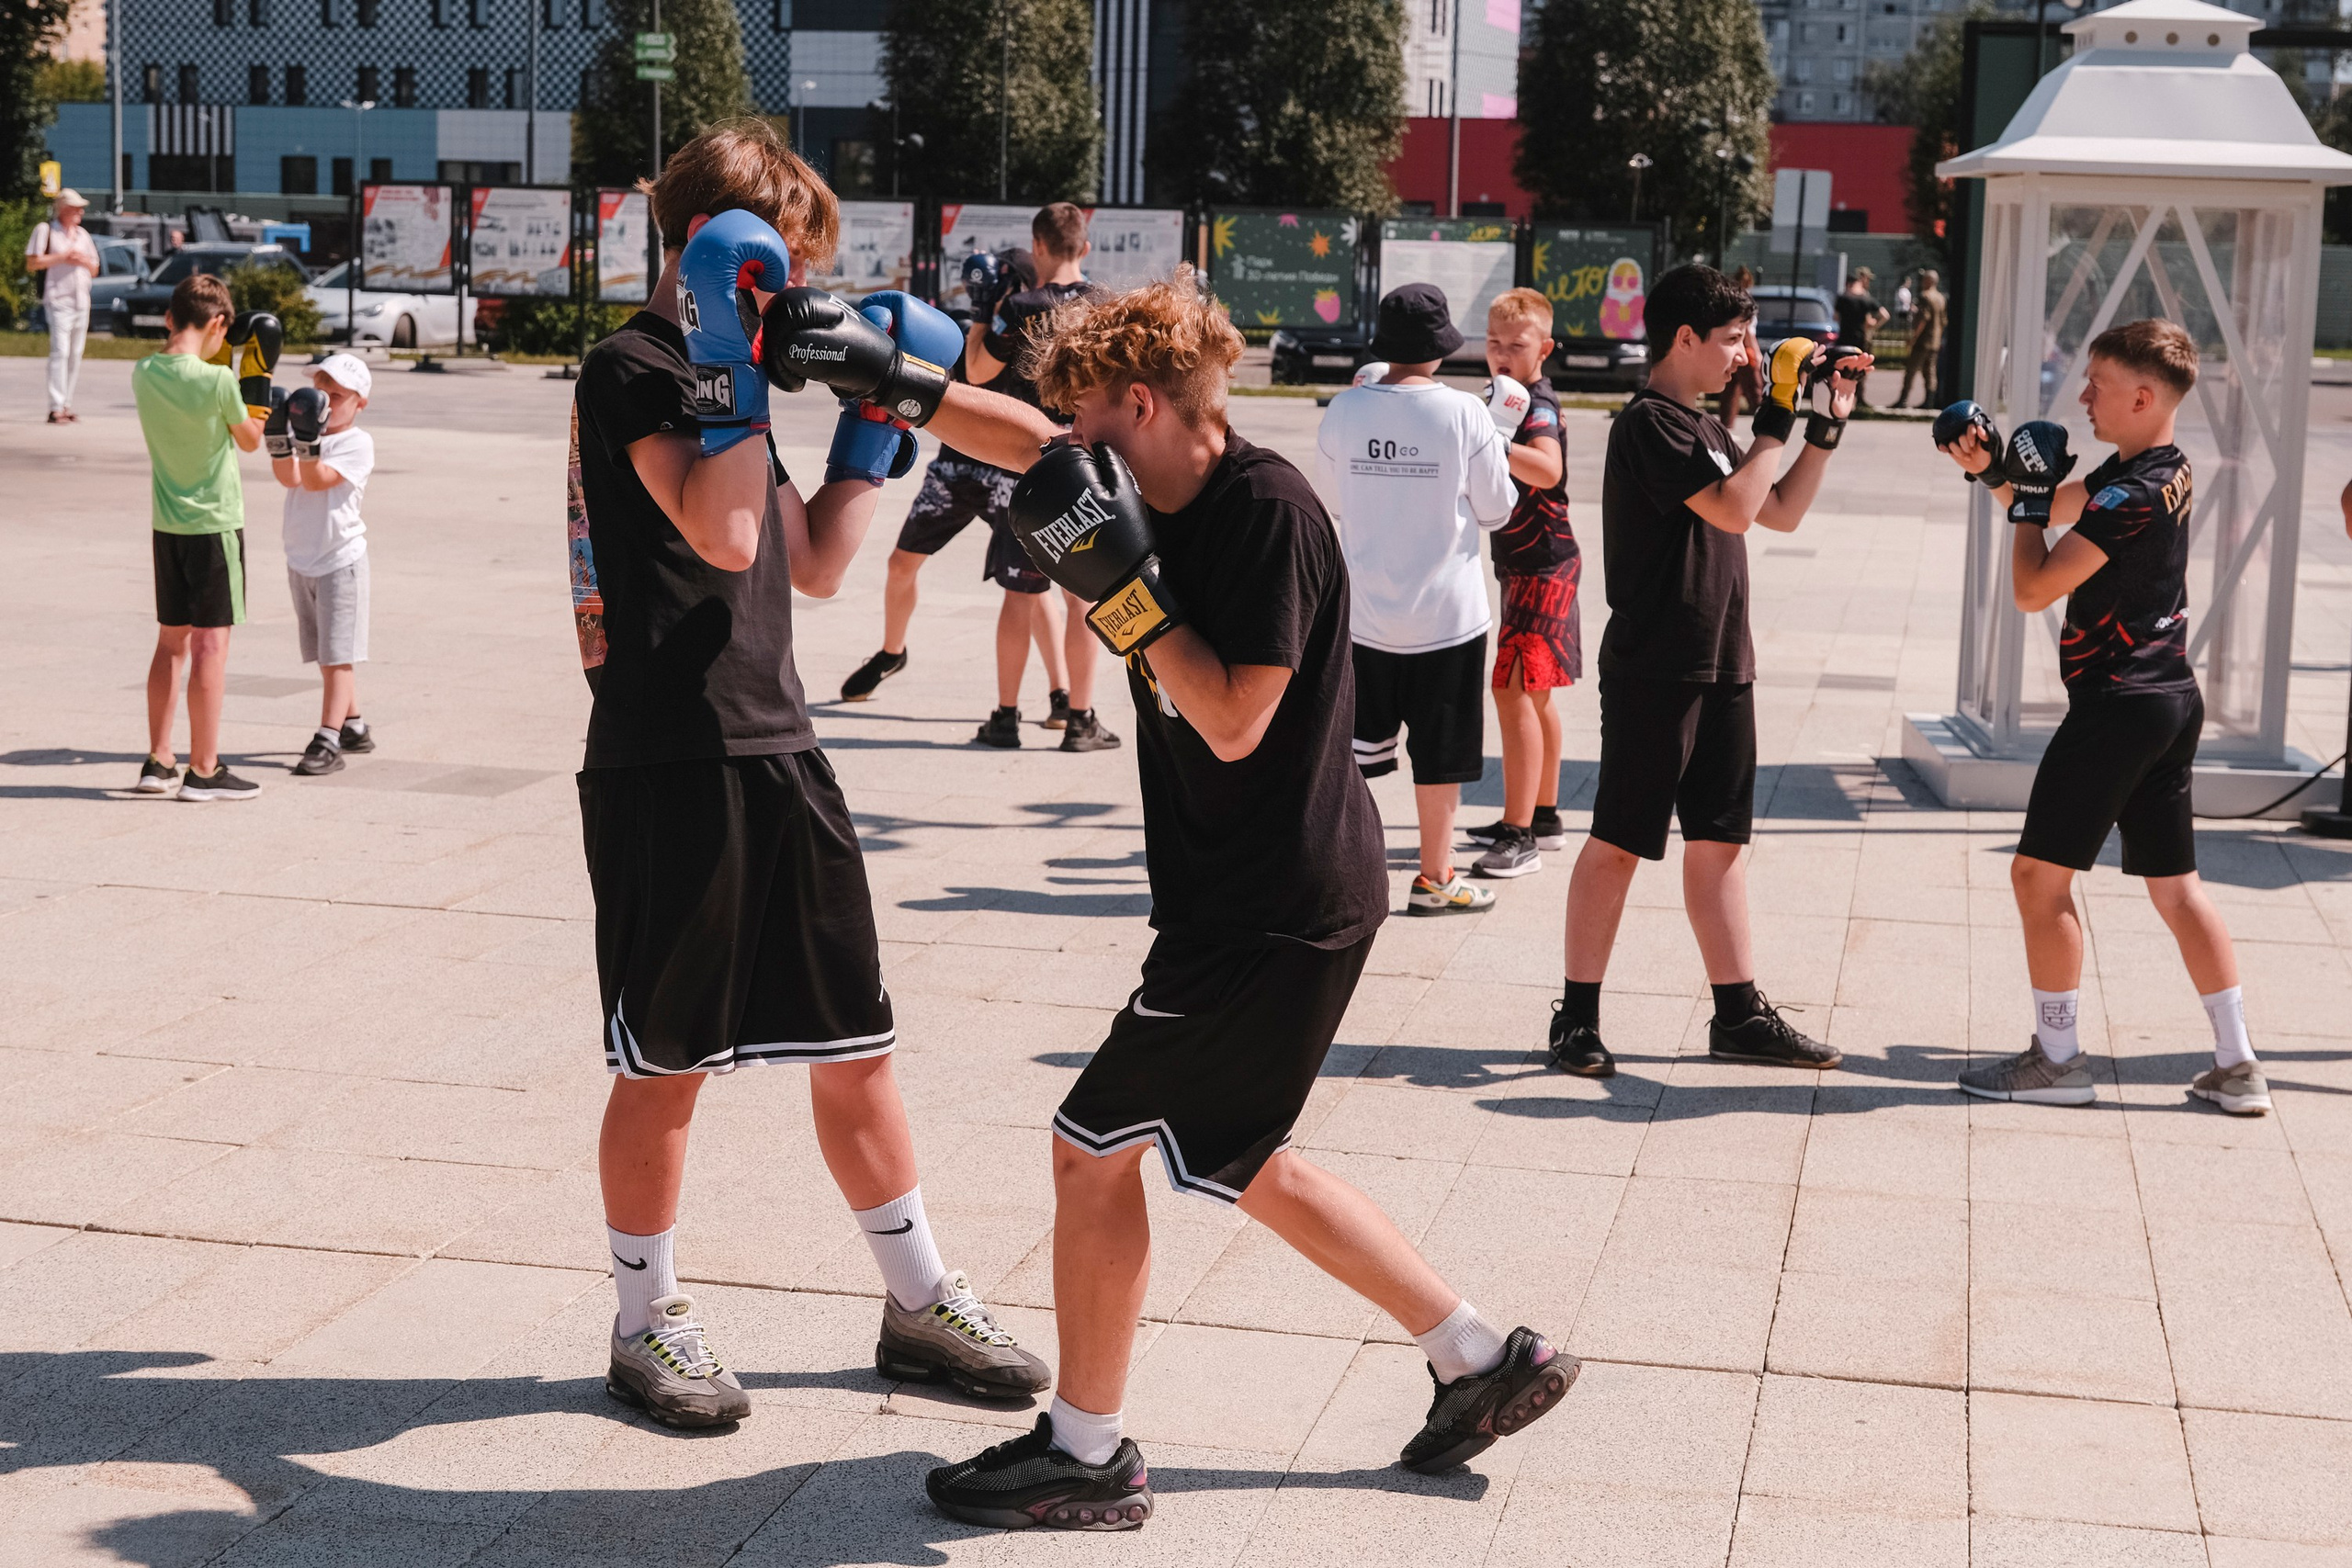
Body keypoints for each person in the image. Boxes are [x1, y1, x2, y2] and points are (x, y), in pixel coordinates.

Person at [761, 268, 1583, 1525]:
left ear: (1142, 403)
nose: (1070, 448)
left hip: (1279, 900)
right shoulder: (1144, 473)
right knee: (1242, 1155)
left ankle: (1087, 1454)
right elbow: (1028, 442)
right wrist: (890, 377)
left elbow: (1238, 716)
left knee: (1092, 1148)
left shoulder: (1267, 516)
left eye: (1089, 420)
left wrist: (1119, 591)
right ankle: (1480, 1354)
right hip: (1244, 892)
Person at [567, 121, 1046, 1433]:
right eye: (777, 275)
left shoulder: (731, 375)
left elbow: (816, 558)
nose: (788, 305)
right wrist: (736, 367)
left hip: (780, 741)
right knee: (668, 1063)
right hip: (670, 754)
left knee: (859, 1045)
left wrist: (881, 421)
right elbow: (719, 529)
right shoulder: (635, 367)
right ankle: (643, 1315)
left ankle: (917, 1294)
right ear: (719, 260)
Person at [1935, 320, 2270, 1114]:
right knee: (2177, 888)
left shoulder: (2130, 495)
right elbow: (2050, 499)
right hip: (2166, 700)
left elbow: (2033, 585)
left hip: (2117, 706)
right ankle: (2239, 1064)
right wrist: (1992, 471)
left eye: (2097, 385)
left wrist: (2026, 508)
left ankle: (2056, 1060)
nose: (2081, 396)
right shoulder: (2160, 466)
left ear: (2144, 396)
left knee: (2037, 879)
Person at [1550, 264, 1867, 1078]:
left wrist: (1823, 424)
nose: (1746, 353)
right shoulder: (1650, 424)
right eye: (1732, 338)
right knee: (1619, 842)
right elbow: (1730, 507)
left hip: (1726, 663)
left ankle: (1737, 1015)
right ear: (1683, 338)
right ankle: (1575, 1019)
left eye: (1750, 337)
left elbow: (1779, 512)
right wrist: (1771, 421)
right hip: (1657, 667)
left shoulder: (1706, 428)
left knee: (1720, 844)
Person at [840, 206, 1121, 753]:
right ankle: (1081, 717)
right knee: (1081, 598)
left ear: (1038, 246)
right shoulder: (1105, 306)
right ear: (1084, 248)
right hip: (1081, 457)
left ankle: (1008, 716)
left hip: (1021, 459)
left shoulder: (1019, 306)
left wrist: (980, 311)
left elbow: (978, 370)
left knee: (1021, 592)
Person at [1316, 283, 1516, 913]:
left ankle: (1350, 873)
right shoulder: (1465, 414)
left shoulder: (1345, 411)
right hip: (1448, 619)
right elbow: (1498, 510)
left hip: (1365, 616)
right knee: (1440, 755)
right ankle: (1434, 877)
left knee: (1355, 754)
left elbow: (1334, 504)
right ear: (1440, 347)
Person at [130, 275, 268, 801]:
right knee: (212, 645)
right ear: (217, 324)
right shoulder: (217, 382)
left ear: (169, 318)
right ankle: (204, 769)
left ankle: (158, 760)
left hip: (167, 525)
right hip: (214, 525)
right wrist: (257, 380)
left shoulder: (143, 373)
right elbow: (251, 442)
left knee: (171, 642)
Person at [1462, 286, 1576, 878]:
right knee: (1535, 696)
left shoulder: (1536, 404)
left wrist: (1491, 440)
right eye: (1493, 343)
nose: (1503, 354)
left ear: (1545, 348)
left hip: (1542, 567)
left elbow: (1547, 466)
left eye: (1518, 344)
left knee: (1511, 691)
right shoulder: (1507, 397)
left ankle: (1519, 834)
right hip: (1531, 564)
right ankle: (1545, 815)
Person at [267, 353, 379, 775]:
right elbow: (290, 478)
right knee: (327, 653)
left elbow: (316, 479)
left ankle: (328, 739)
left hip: (340, 561)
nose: (328, 404)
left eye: (337, 395)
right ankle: (353, 725)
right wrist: (280, 437)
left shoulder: (356, 443)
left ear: (360, 401)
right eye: (320, 394)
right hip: (302, 559)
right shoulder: (307, 436)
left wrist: (307, 442)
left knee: (338, 656)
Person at [26, 188, 99, 424]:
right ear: (63, 208)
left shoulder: (82, 235)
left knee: (75, 354)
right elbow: (33, 262)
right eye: (76, 207)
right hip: (59, 301)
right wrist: (63, 257)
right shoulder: (46, 230)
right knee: (60, 352)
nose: (81, 211)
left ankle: (67, 403)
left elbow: (95, 268)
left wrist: (84, 261)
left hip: (81, 301)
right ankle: (55, 406)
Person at [1714, 265, 1761, 427]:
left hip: (1731, 349)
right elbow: (1747, 330)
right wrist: (1756, 351)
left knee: (1731, 389)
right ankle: (1764, 421)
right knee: (1754, 388)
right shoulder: (1745, 302)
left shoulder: (1730, 301)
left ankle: (1726, 424)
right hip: (1746, 350)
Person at [1834, 268, 1886, 409]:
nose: (1868, 282)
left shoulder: (1844, 297)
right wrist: (1872, 325)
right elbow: (1884, 314)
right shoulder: (1865, 298)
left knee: (1842, 366)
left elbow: (1836, 317)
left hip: (1845, 337)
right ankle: (1859, 397)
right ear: (1860, 279)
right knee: (1860, 367)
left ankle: (1840, 395)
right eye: (1867, 278)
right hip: (1860, 337)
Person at [1899, 268, 1947, 410]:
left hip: (1923, 341)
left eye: (1924, 279)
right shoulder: (1941, 298)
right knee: (1930, 372)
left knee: (1911, 370)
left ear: (1929, 281)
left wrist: (1913, 338)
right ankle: (1929, 402)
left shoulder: (1925, 296)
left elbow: (1923, 320)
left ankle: (1903, 400)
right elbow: (1944, 321)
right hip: (1935, 341)